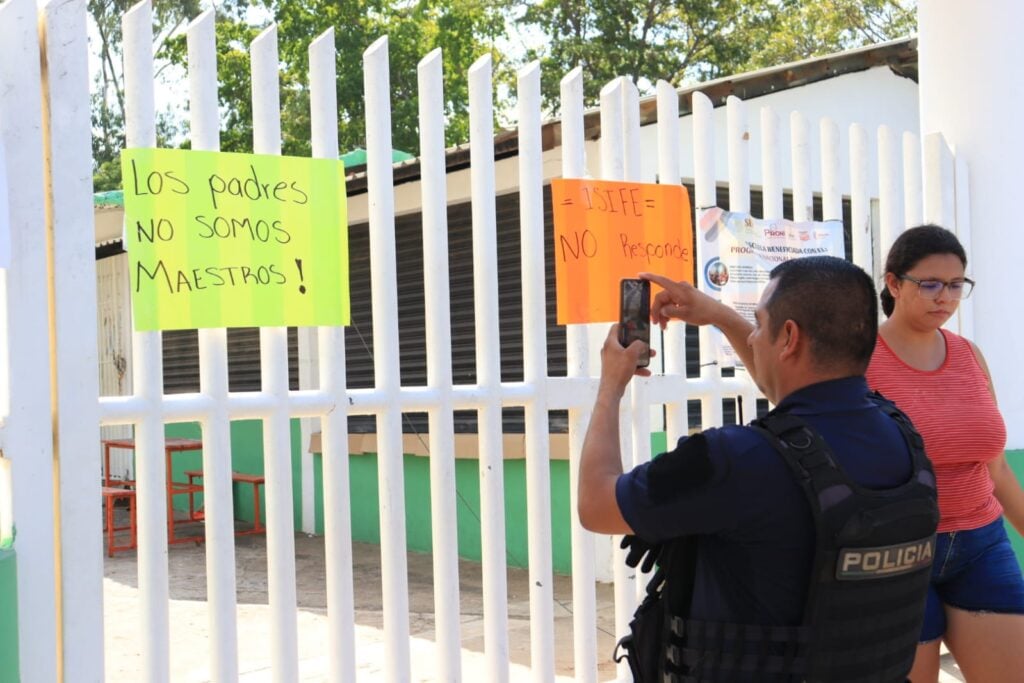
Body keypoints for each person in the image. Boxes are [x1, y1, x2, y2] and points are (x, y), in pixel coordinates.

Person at [578, 256, 939, 682]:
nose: (751, 338)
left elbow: (596, 504)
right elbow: (795, 407)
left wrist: (610, 385)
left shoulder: (732, 460)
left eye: (758, 324)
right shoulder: (902, 436)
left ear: (789, 337)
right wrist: (718, 316)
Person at [867, 225, 1024, 682]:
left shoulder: (969, 355)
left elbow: (995, 467)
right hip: (896, 552)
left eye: (956, 285)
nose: (945, 297)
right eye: (929, 284)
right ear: (894, 283)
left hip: (981, 543)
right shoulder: (860, 358)